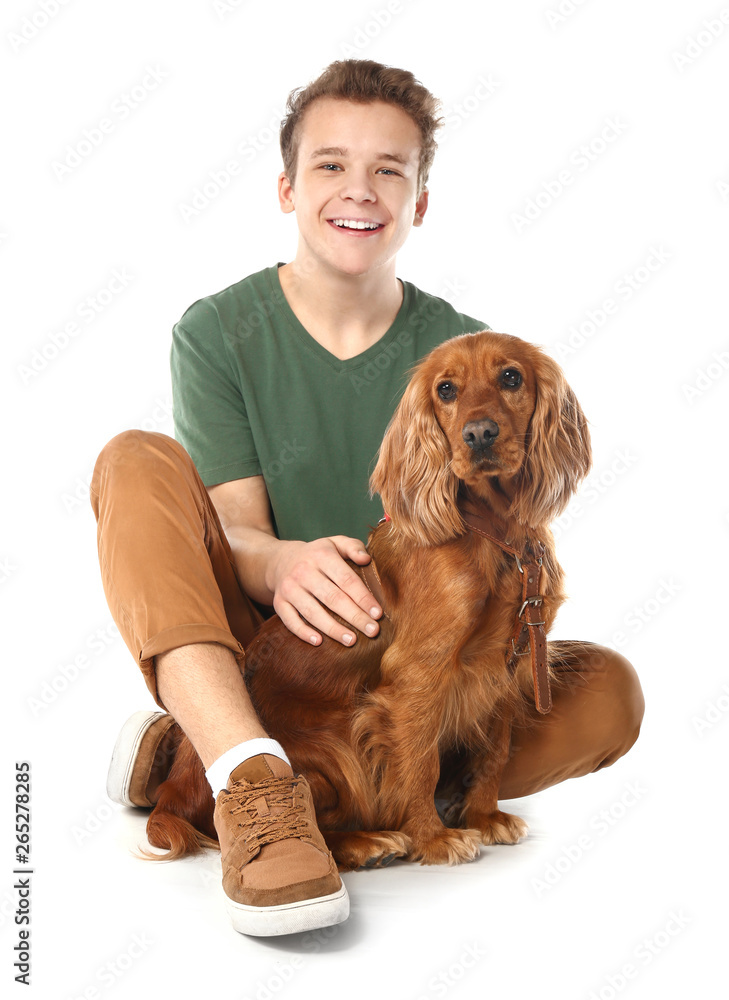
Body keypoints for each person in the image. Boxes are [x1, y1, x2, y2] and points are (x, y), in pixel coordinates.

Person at [90, 58, 645, 938]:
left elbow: (492, 541)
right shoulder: (219, 329)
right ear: (286, 187)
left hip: (415, 660)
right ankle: (253, 777)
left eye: (390, 168)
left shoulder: (455, 350)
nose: (361, 189)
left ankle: (202, 751)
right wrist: (285, 562)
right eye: (331, 164)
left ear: (419, 200)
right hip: (269, 650)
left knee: (608, 691)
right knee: (132, 460)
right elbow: (234, 528)